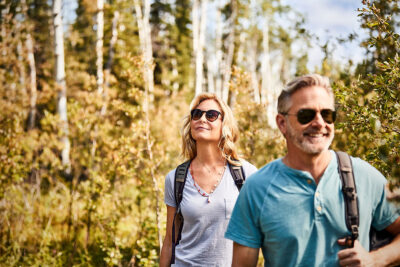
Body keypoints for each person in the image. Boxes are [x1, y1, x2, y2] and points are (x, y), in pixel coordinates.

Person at [225, 74, 400, 266]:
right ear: (282, 123)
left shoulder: (365, 176)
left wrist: (375, 259)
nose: (319, 123)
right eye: (306, 115)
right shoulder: (257, 188)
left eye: (327, 114)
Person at [160, 93, 257, 266]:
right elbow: (169, 241)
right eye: (196, 114)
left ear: (224, 125)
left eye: (211, 115)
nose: (202, 119)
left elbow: (259, 237)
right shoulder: (175, 179)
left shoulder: (246, 174)